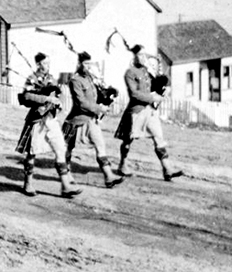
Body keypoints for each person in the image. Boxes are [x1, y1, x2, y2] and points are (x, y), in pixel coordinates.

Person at [15, 52, 80, 198]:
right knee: (32, 152)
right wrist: (45, 98)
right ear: (38, 64)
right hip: (37, 119)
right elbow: (26, 96)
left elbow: (57, 95)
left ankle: (65, 186)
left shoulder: (51, 78)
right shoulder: (32, 79)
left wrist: (57, 99)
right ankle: (28, 183)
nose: (47, 66)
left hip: (51, 118)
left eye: (49, 63)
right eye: (45, 63)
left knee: (60, 149)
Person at [115, 45, 185, 181]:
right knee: (127, 140)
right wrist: (153, 98)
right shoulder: (130, 73)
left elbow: (154, 85)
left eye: (144, 55)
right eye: (140, 55)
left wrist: (164, 88)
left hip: (150, 111)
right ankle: (123, 164)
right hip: (137, 111)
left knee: (158, 138)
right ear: (134, 56)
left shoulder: (146, 71)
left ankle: (167, 169)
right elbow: (134, 94)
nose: (143, 58)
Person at [63, 52, 122, 190]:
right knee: (67, 150)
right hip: (76, 121)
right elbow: (81, 103)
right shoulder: (75, 81)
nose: (89, 67)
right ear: (79, 64)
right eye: (85, 64)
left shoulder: (89, 78)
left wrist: (108, 95)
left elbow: (96, 96)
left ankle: (109, 176)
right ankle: (66, 176)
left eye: (90, 64)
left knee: (100, 146)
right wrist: (99, 109)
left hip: (91, 120)